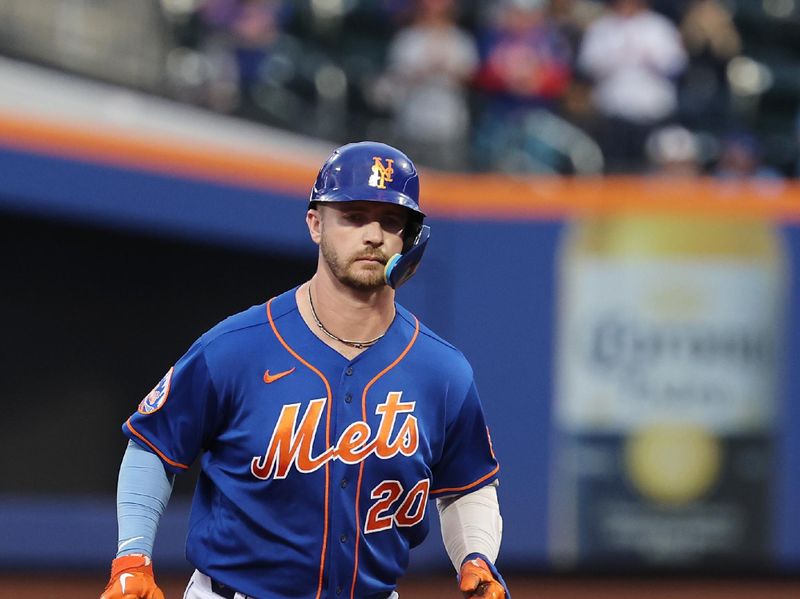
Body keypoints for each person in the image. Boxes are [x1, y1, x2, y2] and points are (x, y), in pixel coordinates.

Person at [99, 141, 511, 599]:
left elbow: (467, 483)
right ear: (316, 224)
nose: (373, 234)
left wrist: (476, 555)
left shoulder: (443, 371)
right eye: (353, 216)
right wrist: (132, 554)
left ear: (410, 239)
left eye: (390, 221)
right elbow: (153, 446)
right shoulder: (236, 347)